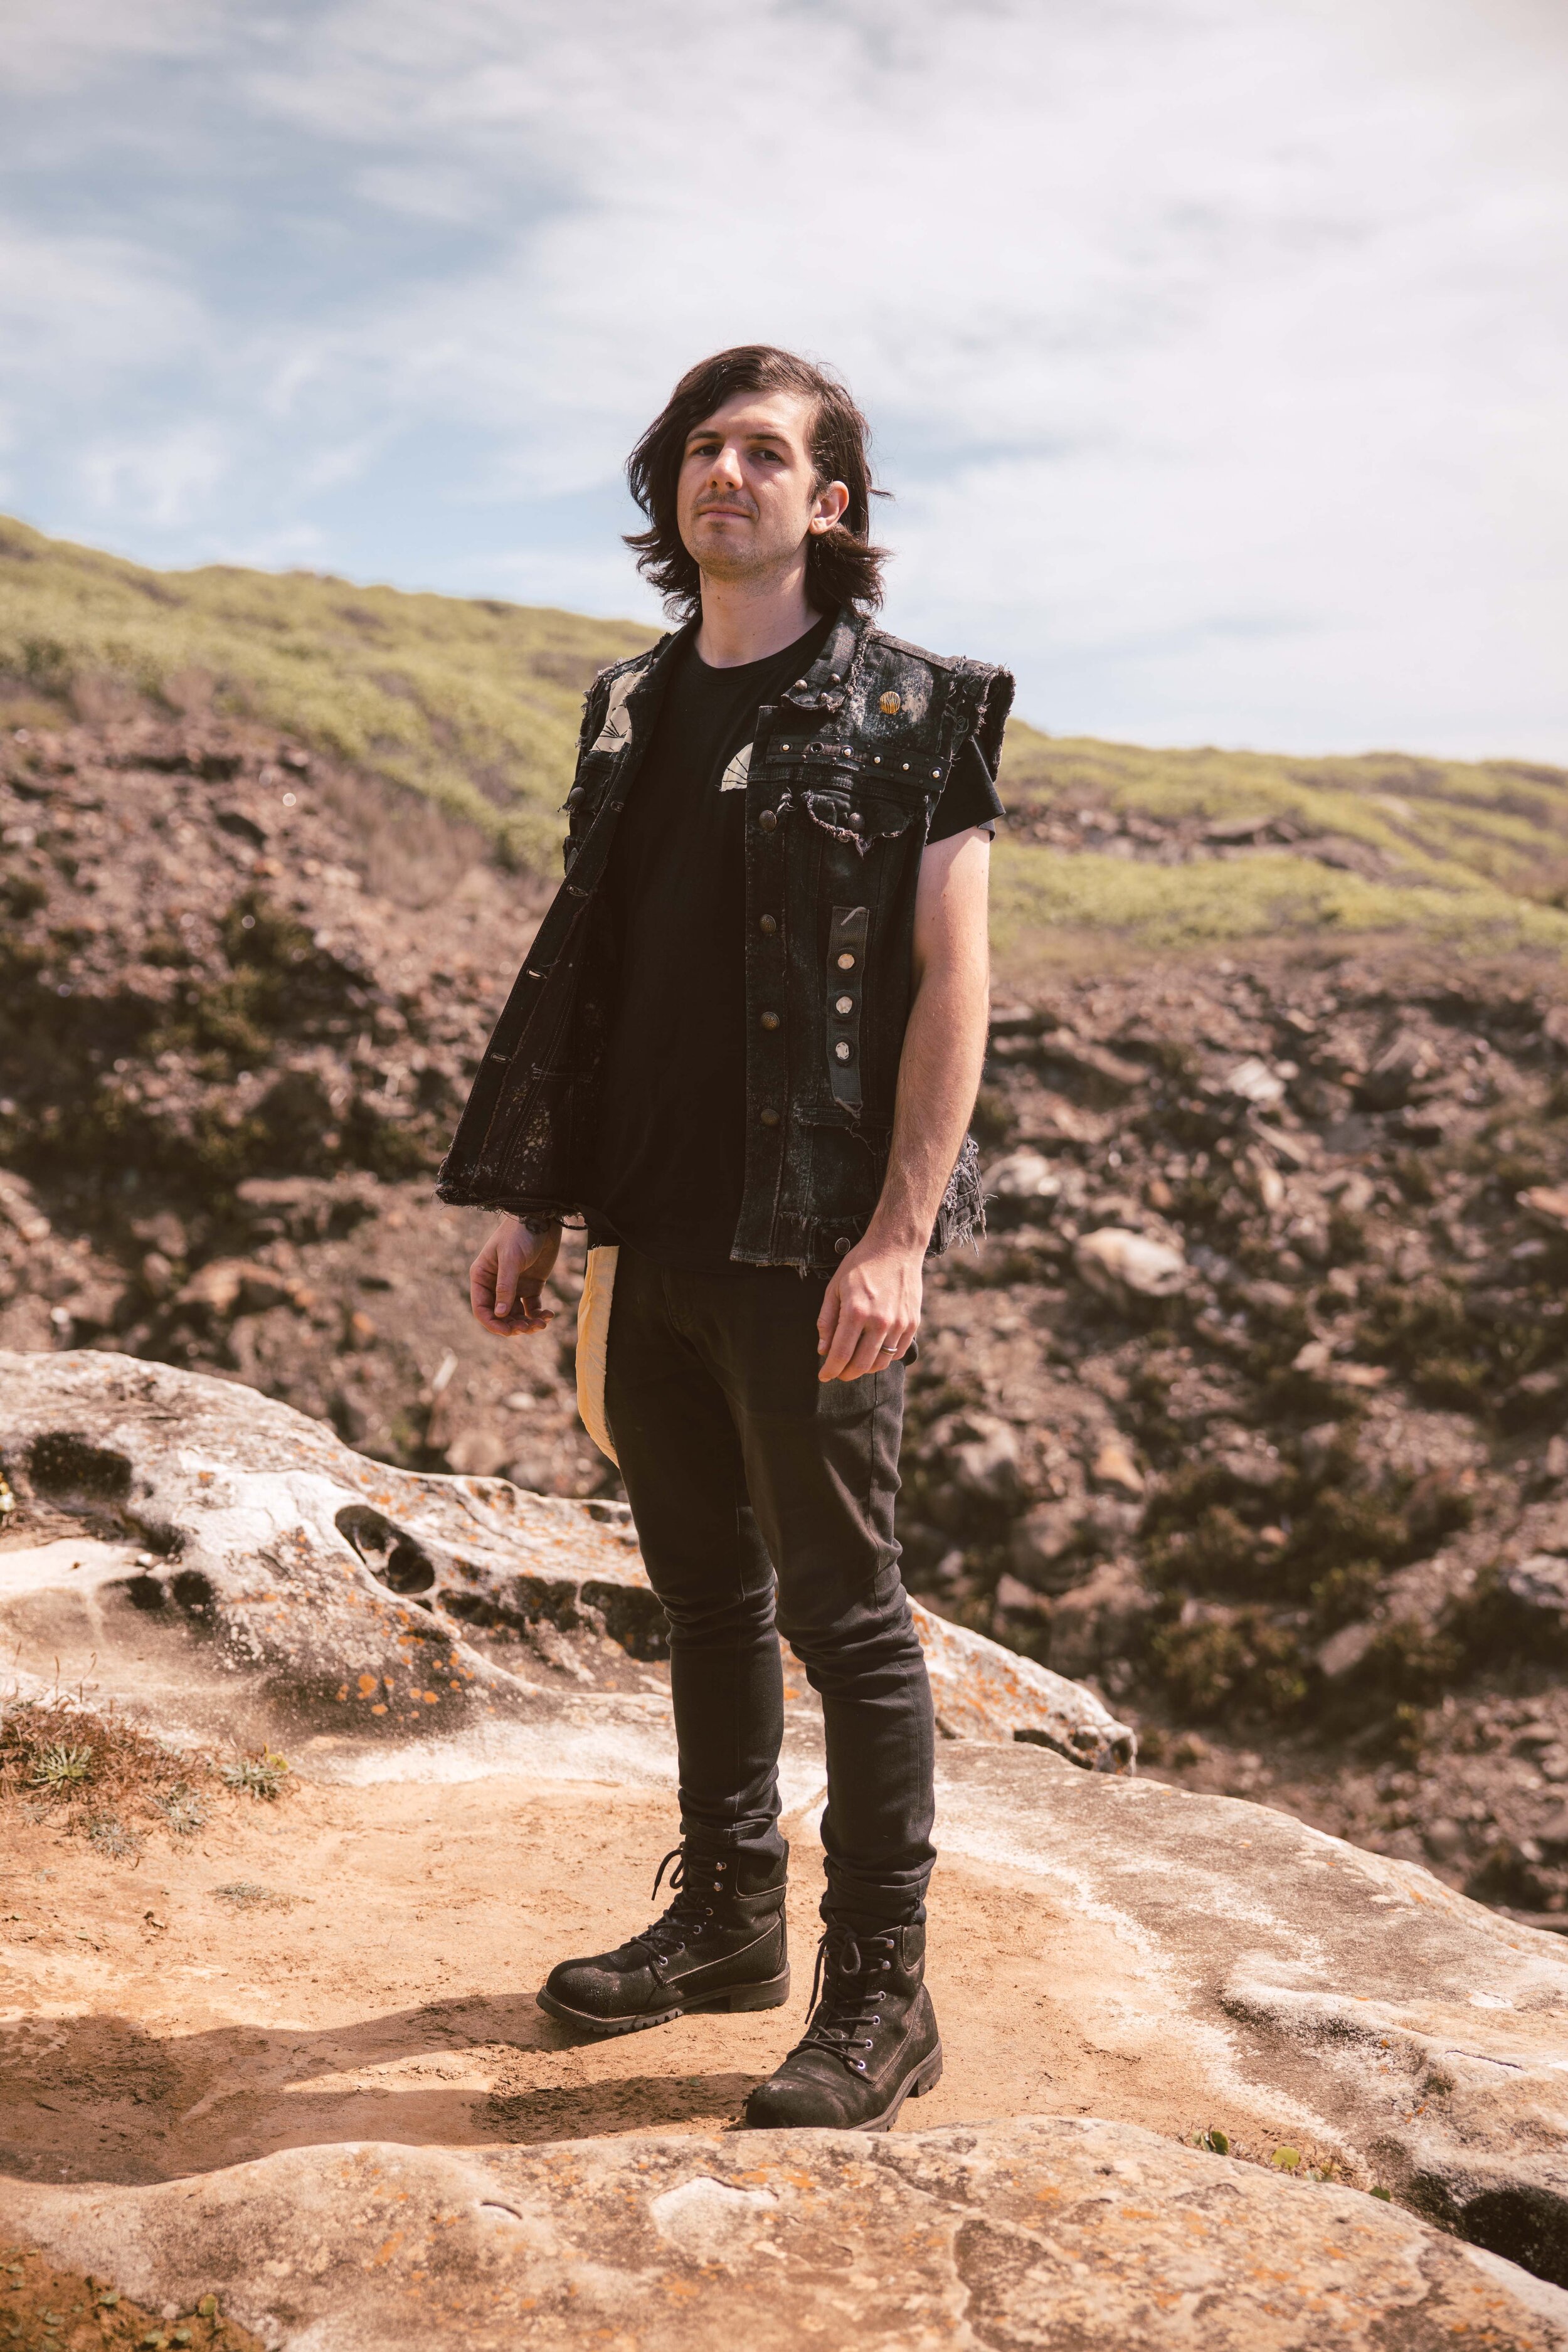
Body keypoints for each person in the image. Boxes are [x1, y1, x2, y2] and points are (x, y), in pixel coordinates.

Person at [440, 344, 1012, 2131]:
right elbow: (591, 960)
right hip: (650, 1222)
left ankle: (878, 1997)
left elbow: (951, 985)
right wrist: (537, 1198)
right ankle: (722, 1923)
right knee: (701, 1596)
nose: (729, 476)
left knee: (848, 1620)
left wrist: (899, 1234)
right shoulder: (626, 704)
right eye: (704, 448)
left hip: (812, 1239)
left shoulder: (921, 709)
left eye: (768, 454)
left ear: (828, 503)